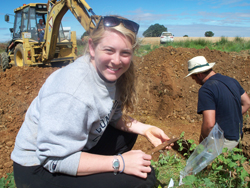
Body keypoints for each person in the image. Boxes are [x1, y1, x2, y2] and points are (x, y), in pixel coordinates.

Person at [11, 15, 173, 188]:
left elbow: (113, 117)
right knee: (143, 180)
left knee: (127, 135)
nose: (117, 61)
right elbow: (52, 158)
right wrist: (119, 163)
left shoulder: (110, 75)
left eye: (125, 53)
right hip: (38, 169)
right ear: (92, 47)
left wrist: (147, 129)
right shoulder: (72, 90)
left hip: (66, 152)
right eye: (109, 50)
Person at [185, 56, 250, 150]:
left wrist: (202, 145)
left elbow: (209, 125)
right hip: (237, 137)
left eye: (193, 77)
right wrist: (232, 118)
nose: (195, 81)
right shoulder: (232, 81)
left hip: (222, 141)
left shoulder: (206, 89)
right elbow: (247, 102)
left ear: (199, 74)